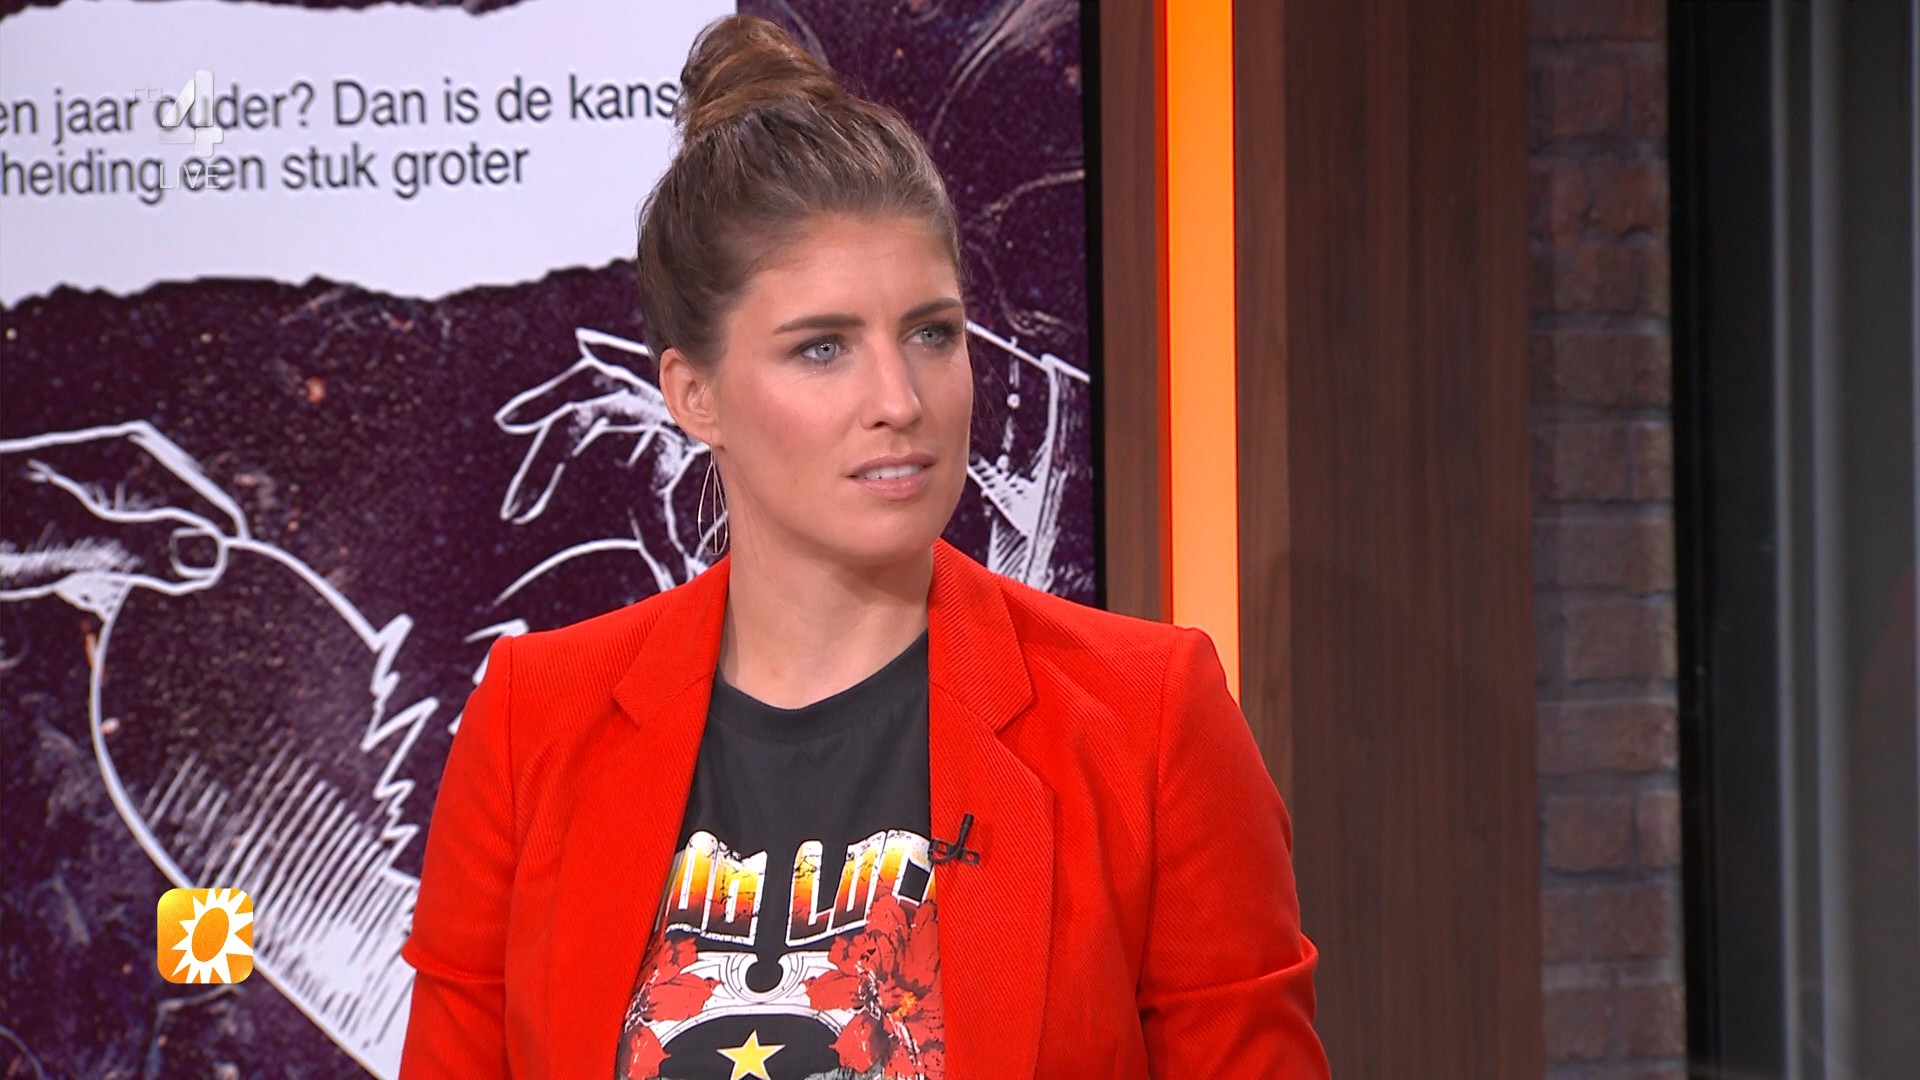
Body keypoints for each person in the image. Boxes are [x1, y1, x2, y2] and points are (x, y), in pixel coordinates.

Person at [398, 15, 1327, 1079]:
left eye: (932, 334)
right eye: (823, 348)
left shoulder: (1146, 722)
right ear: (694, 395)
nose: (900, 399)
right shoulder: (533, 726)